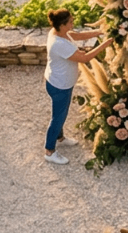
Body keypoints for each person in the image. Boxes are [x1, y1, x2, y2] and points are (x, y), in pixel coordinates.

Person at [43, 10, 102, 167]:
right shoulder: (59, 44)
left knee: (60, 114)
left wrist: (99, 32)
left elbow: (76, 36)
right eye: (70, 22)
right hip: (60, 86)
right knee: (58, 118)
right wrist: (106, 43)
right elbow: (85, 58)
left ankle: (60, 138)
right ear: (62, 25)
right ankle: (49, 151)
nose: (72, 24)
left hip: (57, 81)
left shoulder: (58, 32)